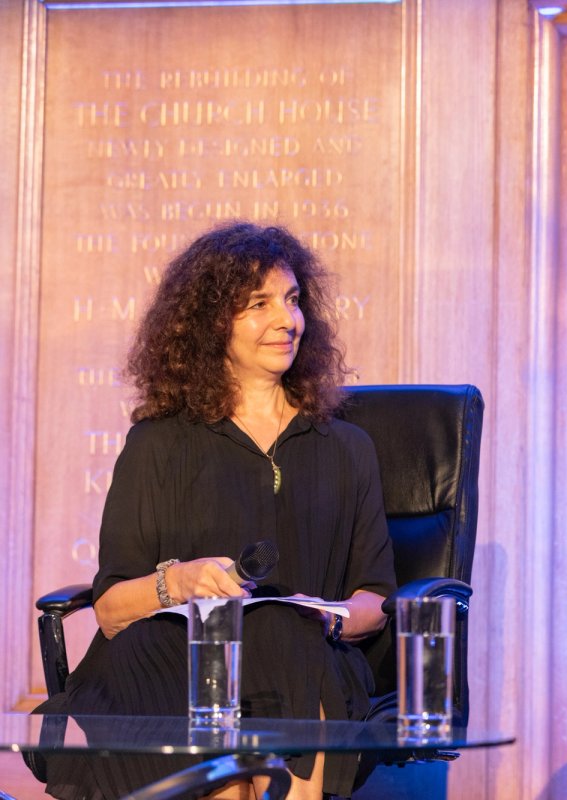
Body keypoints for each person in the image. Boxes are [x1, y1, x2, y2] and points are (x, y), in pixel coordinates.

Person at [35, 222, 396, 800]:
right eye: (260, 304)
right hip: (173, 657)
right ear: (211, 325)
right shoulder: (158, 444)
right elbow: (108, 610)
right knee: (163, 663)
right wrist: (177, 581)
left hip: (304, 657)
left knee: (285, 633)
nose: (287, 320)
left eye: (293, 300)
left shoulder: (347, 447)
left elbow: (375, 599)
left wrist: (325, 615)